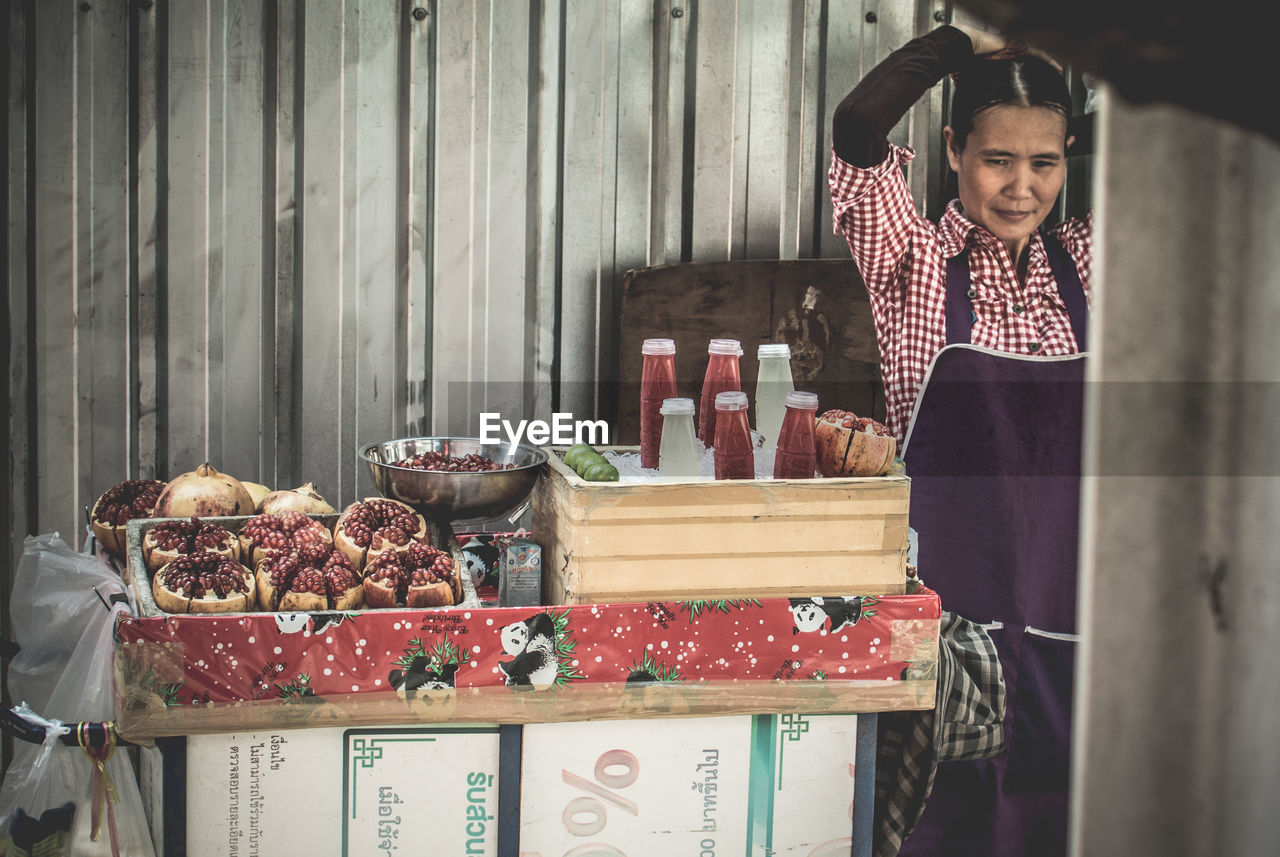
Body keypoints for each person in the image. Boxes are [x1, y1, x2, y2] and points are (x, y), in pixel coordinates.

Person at [830, 24, 1092, 857]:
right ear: (952, 149)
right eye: (996, 159)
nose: (1021, 186)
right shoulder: (911, 258)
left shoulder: (1088, 263)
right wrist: (955, 45)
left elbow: (1192, 143)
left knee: (1059, 817)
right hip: (947, 619)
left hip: (1068, 614)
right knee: (943, 822)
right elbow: (856, 128)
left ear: (1069, 158)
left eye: (1044, 162)